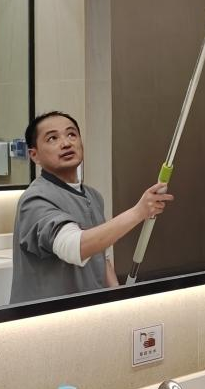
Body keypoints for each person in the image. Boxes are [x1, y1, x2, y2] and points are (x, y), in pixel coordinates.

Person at [10, 111, 173, 302]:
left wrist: (117, 296)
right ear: (34, 155)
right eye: (52, 138)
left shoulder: (93, 196)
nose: (66, 143)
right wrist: (139, 212)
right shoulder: (34, 201)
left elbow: (101, 256)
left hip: (89, 312)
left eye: (72, 134)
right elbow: (75, 247)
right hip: (48, 316)